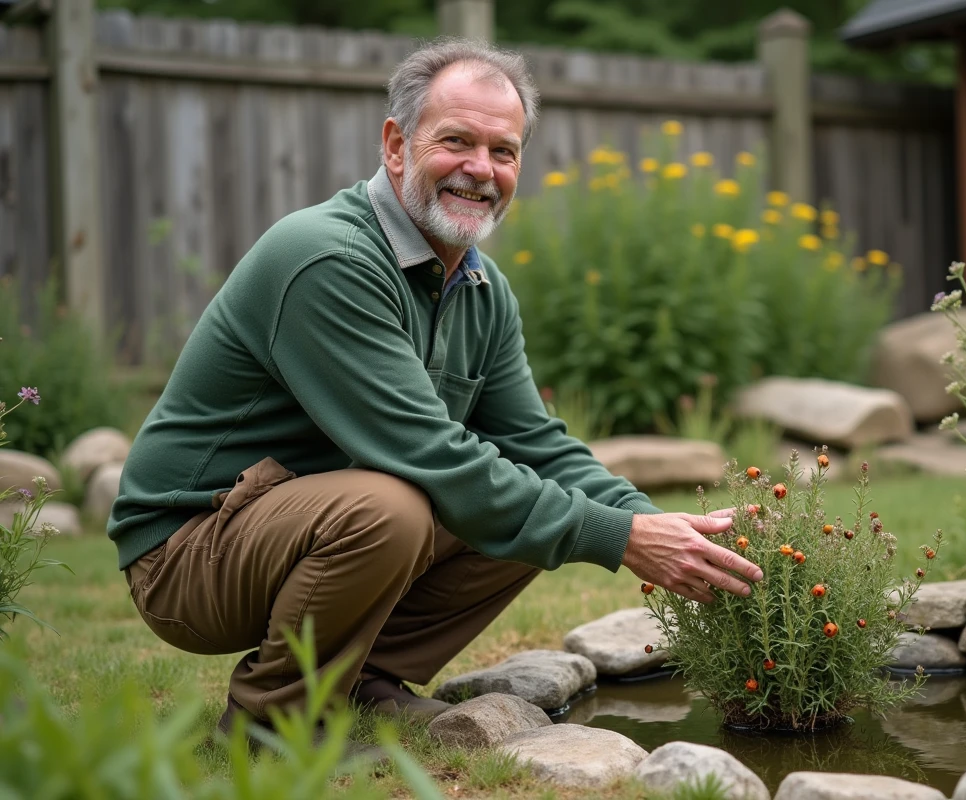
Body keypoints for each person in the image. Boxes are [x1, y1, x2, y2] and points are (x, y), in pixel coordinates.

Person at [109, 38, 763, 737]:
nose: (481, 170)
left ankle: (356, 683)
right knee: (393, 506)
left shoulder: (480, 286)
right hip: (188, 548)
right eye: (456, 141)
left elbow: (537, 445)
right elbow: (426, 451)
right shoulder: (327, 257)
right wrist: (620, 537)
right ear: (396, 145)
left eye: (504, 151)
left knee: (520, 501)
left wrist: (659, 530)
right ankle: (273, 724)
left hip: (301, 518)